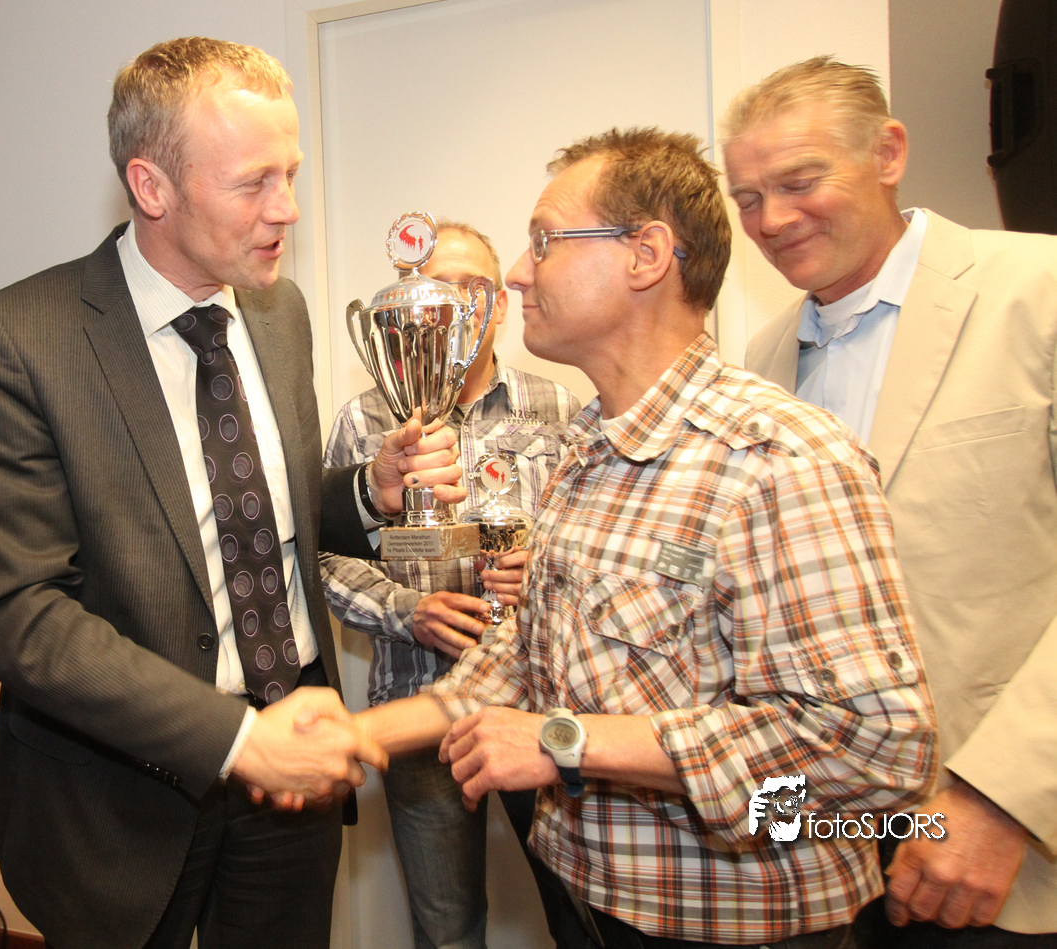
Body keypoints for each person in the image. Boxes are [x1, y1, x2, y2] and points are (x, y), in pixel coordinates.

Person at [355, 127, 939, 949]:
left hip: (735, 926)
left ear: (645, 255)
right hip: (589, 902)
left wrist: (566, 740)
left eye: (544, 241)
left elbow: (876, 748)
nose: (518, 272)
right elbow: (530, 647)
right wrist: (361, 734)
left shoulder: (777, 459)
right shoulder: (584, 448)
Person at [0, 36, 464, 949]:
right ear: (152, 187)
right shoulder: (20, 339)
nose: (287, 208)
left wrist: (365, 493)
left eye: (290, 174)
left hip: (294, 753)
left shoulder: (277, 310)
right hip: (116, 795)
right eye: (253, 182)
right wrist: (232, 738)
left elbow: (255, 508)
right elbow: (20, 613)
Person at [725, 55, 1057, 946]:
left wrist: (1001, 800)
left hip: (1006, 851)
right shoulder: (760, 363)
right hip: (831, 859)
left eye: (799, 182)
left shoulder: (1039, 290)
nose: (772, 220)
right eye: (747, 198)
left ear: (887, 153)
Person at [321, 219, 581, 949]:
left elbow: (593, 546)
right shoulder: (366, 418)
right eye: (437, 289)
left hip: (539, 705)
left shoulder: (559, 409)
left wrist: (542, 568)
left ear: (499, 305)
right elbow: (324, 556)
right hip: (415, 702)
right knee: (446, 929)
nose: (456, 307)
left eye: (474, 290)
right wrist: (408, 612)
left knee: (578, 912)